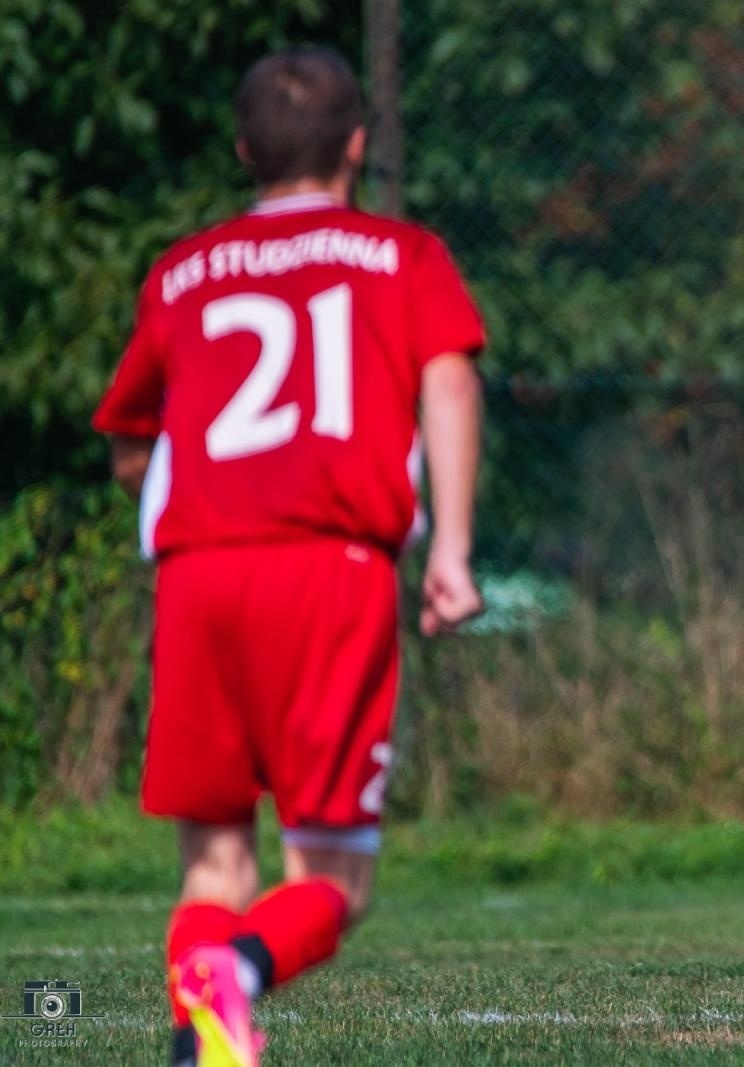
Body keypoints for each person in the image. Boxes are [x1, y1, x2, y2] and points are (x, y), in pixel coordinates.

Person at [91, 48, 486, 1067]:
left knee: (214, 865)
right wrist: (451, 546)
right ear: (357, 145)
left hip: (199, 573)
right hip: (327, 567)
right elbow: (447, 383)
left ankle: (203, 1040)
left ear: (242, 151)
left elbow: (133, 440)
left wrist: (176, 501)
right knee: (334, 876)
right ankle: (240, 978)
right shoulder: (401, 255)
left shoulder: (180, 270)